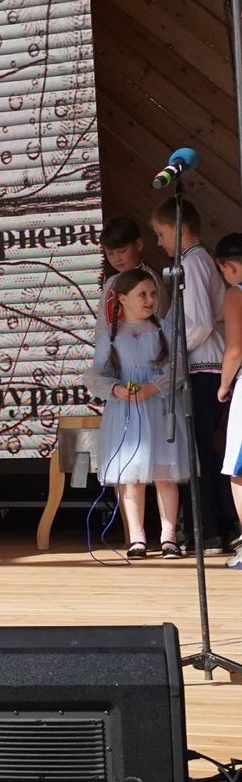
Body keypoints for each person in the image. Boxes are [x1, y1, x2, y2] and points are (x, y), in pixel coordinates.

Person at [82, 268, 189, 559]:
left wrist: (154, 387)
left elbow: (179, 367)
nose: (150, 300)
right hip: (127, 409)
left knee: (165, 473)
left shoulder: (164, 329)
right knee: (132, 476)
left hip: (159, 406)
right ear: (123, 299)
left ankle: (169, 537)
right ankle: (137, 537)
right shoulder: (110, 335)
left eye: (153, 294)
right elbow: (95, 374)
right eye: (142, 294)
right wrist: (116, 389)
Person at [151, 197, 230, 553]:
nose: (159, 242)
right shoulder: (194, 260)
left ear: (180, 229)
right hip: (201, 364)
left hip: (203, 365)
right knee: (202, 448)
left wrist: (171, 355)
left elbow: (198, 324)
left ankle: (210, 529)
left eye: (161, 233)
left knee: (201, 449)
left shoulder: (192, 262)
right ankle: (212, 527)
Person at [214, 235, 242, 566]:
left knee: (238, 467)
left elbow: (235, 348)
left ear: (229, 266)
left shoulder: (235, 294)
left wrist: (223, 385)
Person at [99, 215, 168, 324]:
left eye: (122, 251)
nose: (117, 259)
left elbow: (156, 324)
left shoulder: (150, 282)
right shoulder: (110, 283)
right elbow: (102, 326)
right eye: (110, 253)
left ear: (139, 245)